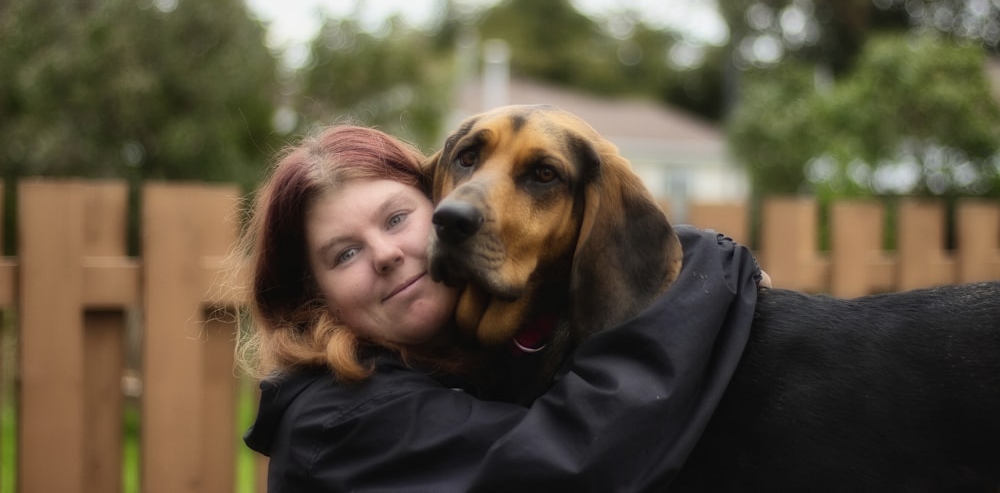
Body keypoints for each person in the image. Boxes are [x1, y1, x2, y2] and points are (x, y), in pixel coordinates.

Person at [237, 122, 766, 492]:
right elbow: (573, 469)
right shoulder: (341, 421)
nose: (386, 255)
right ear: (311, 294)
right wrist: (698, 268)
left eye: (397, 219)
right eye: (345, 253)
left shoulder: (467, 364)